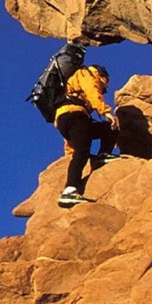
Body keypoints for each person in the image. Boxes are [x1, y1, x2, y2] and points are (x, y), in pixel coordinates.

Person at [55, 63, 120, 207]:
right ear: (102, 76)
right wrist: (106, 112)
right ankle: (69, 191)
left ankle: (103, 156)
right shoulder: (87, 75)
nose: (104, 89)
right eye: (105, 84)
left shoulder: (75, 84)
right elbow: (92, 92)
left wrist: (68, 151)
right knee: (83, 151)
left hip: (66, 118)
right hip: (75, 115)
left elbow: (72, 137)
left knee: (107, 128)